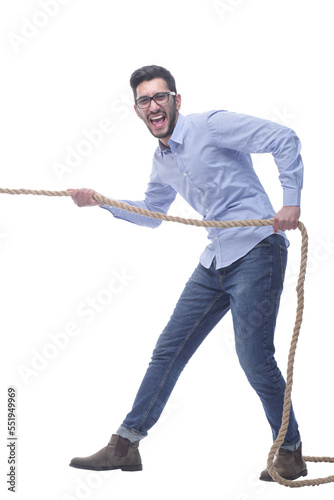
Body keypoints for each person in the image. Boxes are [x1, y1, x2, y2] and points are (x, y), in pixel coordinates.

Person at [68, 65, 307, 481]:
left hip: (257, 250)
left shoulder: (212, 126)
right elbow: (153, 214)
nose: (153, 106)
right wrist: (101, 201)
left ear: (176, 100)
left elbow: (284, 139)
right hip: (214, 261)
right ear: (138, 111)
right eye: (144, 100)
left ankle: (290, 450)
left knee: (253, 357)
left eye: (160, 97)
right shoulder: (161, 162)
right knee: (168, 350)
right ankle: (125, 445)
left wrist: (291, 201)